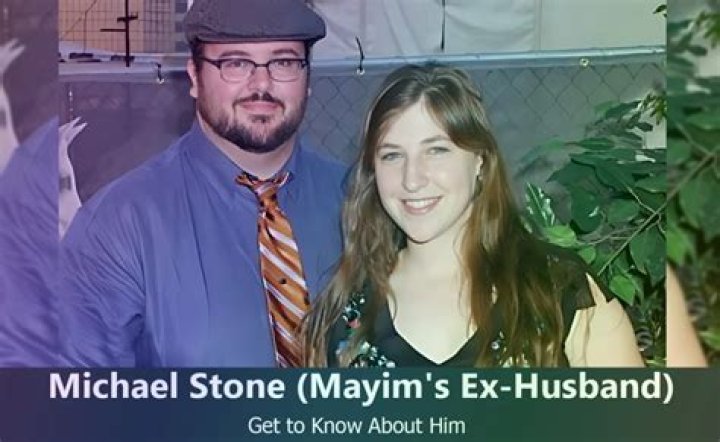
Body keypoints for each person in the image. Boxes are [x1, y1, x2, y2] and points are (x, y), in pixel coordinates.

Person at [57, 0, 347, 367]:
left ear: (308, 78)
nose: (262, 84)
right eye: (235, 63)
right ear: (194, 76)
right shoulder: (118, 226)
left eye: (284, 62)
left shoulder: (357, 199)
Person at [302, 64, 644, 367]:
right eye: (392, 156)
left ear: (480, 160)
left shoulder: (558, 290)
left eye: (436, 150)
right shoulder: (343, 315)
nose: (412, 179)